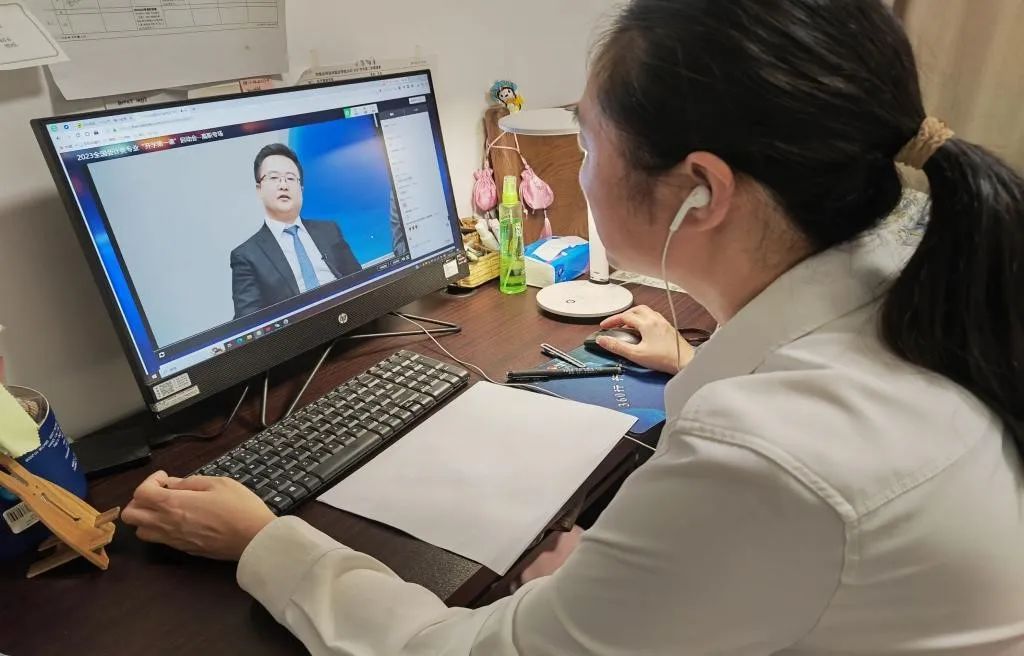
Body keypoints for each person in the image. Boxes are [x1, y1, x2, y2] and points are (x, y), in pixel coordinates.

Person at [123, 0, 1024, 652]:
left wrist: (266, 542)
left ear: (701, 191)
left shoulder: (771, 457)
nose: (578, 169)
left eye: (587, 142)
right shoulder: (922, 258)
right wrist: (646, 564)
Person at [230, 143, 362, 319]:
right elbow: (250, 321)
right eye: (274, 178)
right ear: (259, 189)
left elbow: (360, 281)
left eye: (291, 178)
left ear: (301, 189)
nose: (283, 185)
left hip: (350, 316)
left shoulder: (329, 230)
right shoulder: (246, 256)